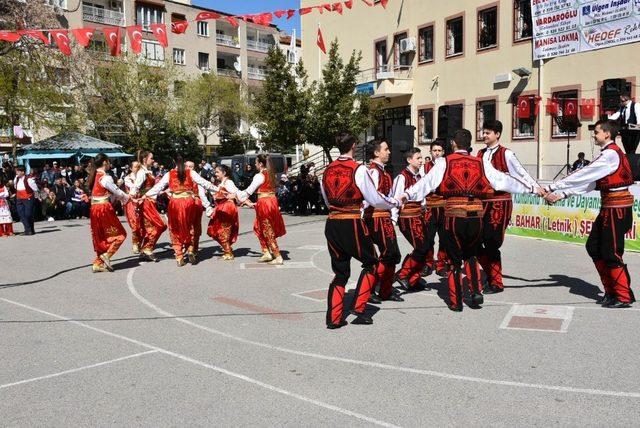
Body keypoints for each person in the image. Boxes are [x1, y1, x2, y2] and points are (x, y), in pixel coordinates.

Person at [401, 129, 541, 312]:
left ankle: (456, 301)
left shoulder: (445, 162)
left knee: (453, 258)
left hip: (454, 214)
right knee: (471, 254)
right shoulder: (481, 161)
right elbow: (503, 181)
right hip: (475, 215)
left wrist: (407, 194)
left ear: (453, 144)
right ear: (469, 145)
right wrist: (533, 189)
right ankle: (476, 293)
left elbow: (427, 182)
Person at [545, 120, 635, 308]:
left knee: (611, 252)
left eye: (596, 132)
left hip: (617, 207)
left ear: (607, 134)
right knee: (593, 247)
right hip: (609, 206)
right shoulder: (608, 154)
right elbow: (592, 183)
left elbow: (584, 173)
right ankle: (611, 291)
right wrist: (562, 194)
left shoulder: (610, 154)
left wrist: (553, 185)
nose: (593, 135)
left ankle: (623, 295)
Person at [321, 133, 401, 329]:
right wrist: (394, 202)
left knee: (340, 272)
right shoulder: (358, 169)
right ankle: (359, 308)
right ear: (354, 146)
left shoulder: (327, 170)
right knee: (372, 263)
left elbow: (325, 197)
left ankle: (334, 318)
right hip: (351, 222)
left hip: (332, 222)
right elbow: (374, 199)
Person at [477, 120, 539, 294]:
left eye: (488, 132)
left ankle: (496, 282)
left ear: (497, 134)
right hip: (482, 203)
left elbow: (521, 174)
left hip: (499, 203)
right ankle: (489, 275)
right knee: (475, 241)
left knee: (492, 243)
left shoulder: (506, 154)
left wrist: (537, 190)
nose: (484, 135)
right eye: (484, 132)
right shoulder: (480, 154)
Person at [145, 156, 218, 266]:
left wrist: (145, 195)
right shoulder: (191, 173)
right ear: (184, 164)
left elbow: (158, 187)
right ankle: (190, 249)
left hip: (175, 202)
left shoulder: (169, 174)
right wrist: (219, 189)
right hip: (189, 201)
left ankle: (179, 256)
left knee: (175, 228)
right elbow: (204, 183)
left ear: (173, 163)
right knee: (190, 226)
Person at [364, 140, 404, 303]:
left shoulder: (384, 172)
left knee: (393, 254)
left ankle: (385, 290)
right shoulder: (373, 172)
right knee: (389, 253)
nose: (389, 152)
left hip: (384, 217)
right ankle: (370, 289)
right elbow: (371, 197)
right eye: (386, 149)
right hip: (376, 217)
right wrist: (394, 202)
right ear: (376, 153)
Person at [230, 154, 286, 265]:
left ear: (260, 164)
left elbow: (248, 191)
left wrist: (236, 194)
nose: (255, 165)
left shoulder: (259, 176)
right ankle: (266, 252)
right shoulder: (271, 174)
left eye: (256, 162)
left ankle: (277, 255)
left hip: (265, 203)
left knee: (266, 228)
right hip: (271, 201)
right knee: (259, 226)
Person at [392, 147, 429, 292]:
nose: (421, 161)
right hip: (407, 217)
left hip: (418, 215)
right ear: (409, 160)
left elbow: (422, 197)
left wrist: (424, 209)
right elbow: (396, 199)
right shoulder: (402, 177)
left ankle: (413, 278)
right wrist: (393, 220)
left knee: (425, 247)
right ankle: (403, 274)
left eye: (421, 158)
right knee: (421, 247)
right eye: (418, 158)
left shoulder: (419, 176)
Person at [86, 154, 130, 273]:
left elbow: (110, 190)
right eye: (109, 162)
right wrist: (127, 197)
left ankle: (98, 263)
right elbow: (117, 192)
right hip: (103, 208)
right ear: (105, 162)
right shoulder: (105, 177)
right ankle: (107, 255)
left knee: (101, 236)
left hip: (94, 208)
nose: (110, 164)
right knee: (121, 234)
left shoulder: (94, 175)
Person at [422, 139, 449, 277]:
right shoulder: (425, 167)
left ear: (443, 152)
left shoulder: (447, 166)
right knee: (428, 237)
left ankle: (441, 264)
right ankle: (428, 263)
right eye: (435, 151)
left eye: (439, 151)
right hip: (430, 207)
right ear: (430, 152)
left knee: (444, 238)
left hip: (444, 207)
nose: (437, 153)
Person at [135, 150, 167, 262]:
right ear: (145, 160)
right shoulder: (141, 173)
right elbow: (136, 187)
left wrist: (162, 192)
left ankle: (145, 250)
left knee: (151, 227)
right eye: (151, 158)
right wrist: (133, 198)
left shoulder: (147, 171)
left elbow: (150, 188)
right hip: (146, 202)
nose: (153, 160)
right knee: (160, 225)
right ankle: (147, 248)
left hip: (151, 201)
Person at [207, 165, 240, 260]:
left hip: (227, 208)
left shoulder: (228, 182)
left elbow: (236, 192)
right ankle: (227, 249)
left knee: (222, 230)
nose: (215, 174)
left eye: (217, 172)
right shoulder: (222, 183)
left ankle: (228, 253)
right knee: (213, 230)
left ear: (224, 173)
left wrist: (234, 197)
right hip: (221, 208)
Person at [123, 161, 144, 255]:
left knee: (142, 224)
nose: (138, 168)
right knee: (134, 224)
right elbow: (134, 188)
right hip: (131, 202)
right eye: (136, 167)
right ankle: (135, 243)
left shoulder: (143, 176)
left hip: (141, 201)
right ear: (131, 168)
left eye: (139, 167)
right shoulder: (127, 178)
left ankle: (140, 242)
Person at [14, 165, 38, 235]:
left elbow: (35, 188)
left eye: (18, 171)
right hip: (19, 198)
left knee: (28, 214)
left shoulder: (29, 179)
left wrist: (37, 196)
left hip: (28, 198)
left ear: (23, 172)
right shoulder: (16, 178)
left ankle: (31, 230)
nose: (17, 172)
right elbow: (15, 186)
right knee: (21, 214)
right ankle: (28, 230)